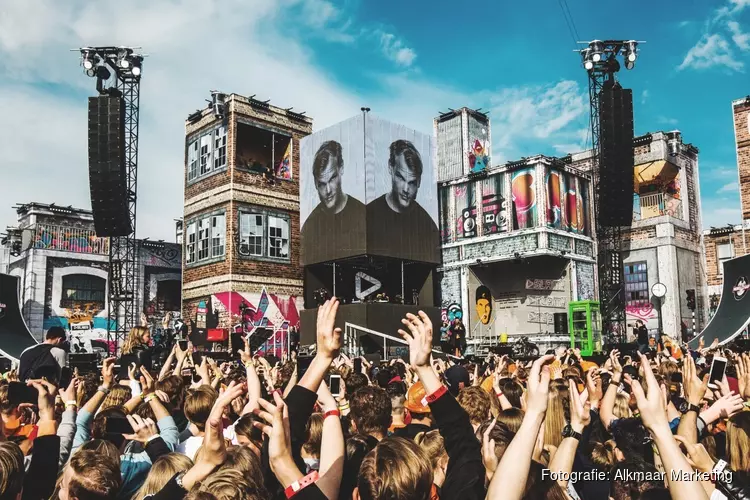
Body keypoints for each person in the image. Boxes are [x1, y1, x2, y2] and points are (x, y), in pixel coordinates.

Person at [366, 139, 441, 264]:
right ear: (391, 168)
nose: (406, 189)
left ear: (419, 182)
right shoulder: (368, 215)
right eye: (400, 178)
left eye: (412, 182)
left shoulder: (428, 226)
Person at [300, 140, 366, 265]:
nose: (328, 190)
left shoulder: (362, 214)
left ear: (341, 169)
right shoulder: (310, 227)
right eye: (322, 184)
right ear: (315, 183)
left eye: (332, 179)